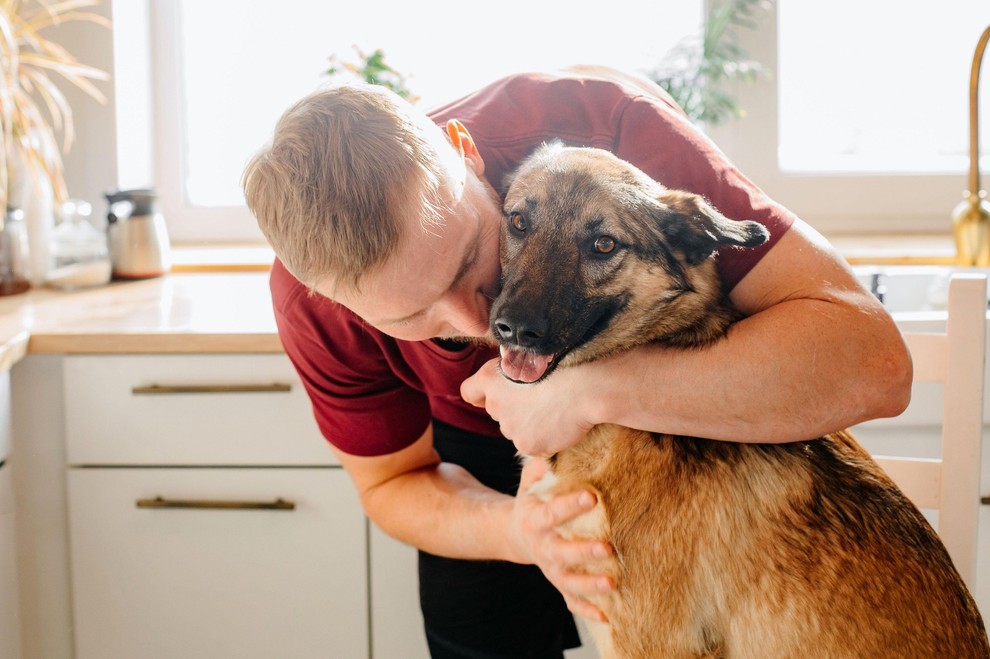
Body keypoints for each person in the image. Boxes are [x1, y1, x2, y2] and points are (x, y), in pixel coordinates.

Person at [242, 65, 912, 658]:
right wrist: (520, 530)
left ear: (466, 153)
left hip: (678, 412)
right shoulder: (310, 305)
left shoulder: (610, 134)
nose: (484, 323)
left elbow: (876, 361)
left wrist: (591, 391)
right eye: (413, 319)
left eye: (472, 258)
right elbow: (391, 483)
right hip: (475, 459)